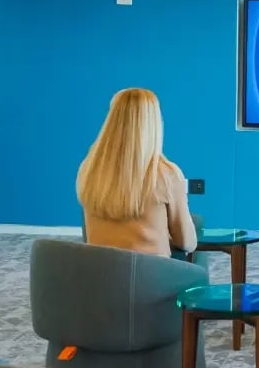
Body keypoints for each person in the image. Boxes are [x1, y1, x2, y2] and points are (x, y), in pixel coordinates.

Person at [77, 87, 197, 258]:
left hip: (100, 270)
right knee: (196, 255)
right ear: (154, 123)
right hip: (151, 273)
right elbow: (187, 242)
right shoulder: (167, 174)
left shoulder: (89, 168)